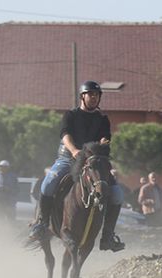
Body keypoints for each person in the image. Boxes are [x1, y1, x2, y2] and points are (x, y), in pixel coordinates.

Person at [28, 80, 125, 252]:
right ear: (83, 96)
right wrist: (73, 150)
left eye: (97, 95)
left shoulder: (102, 119)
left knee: (117, 193)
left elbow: (105, 138)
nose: (94, 98)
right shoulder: (71, 115)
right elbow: (65, 135)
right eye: (91, 95)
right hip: (68, 158)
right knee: (48, 183)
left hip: (93, 162)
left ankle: (108, 236)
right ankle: (41, 224)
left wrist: (103, 143)